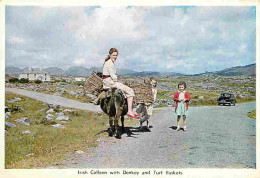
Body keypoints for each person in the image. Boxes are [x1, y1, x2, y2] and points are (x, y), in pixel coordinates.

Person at [92, 48, 139, 119]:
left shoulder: (108, 62)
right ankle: (129, 111)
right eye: (113, 55)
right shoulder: (110, 63)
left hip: (107, 82)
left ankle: (131, 110)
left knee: (124, 90)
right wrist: (117, 80)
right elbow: (113, 76)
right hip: (110, 83)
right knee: (130, 91)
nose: (115, 57)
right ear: (110, 55)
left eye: (116, 55)